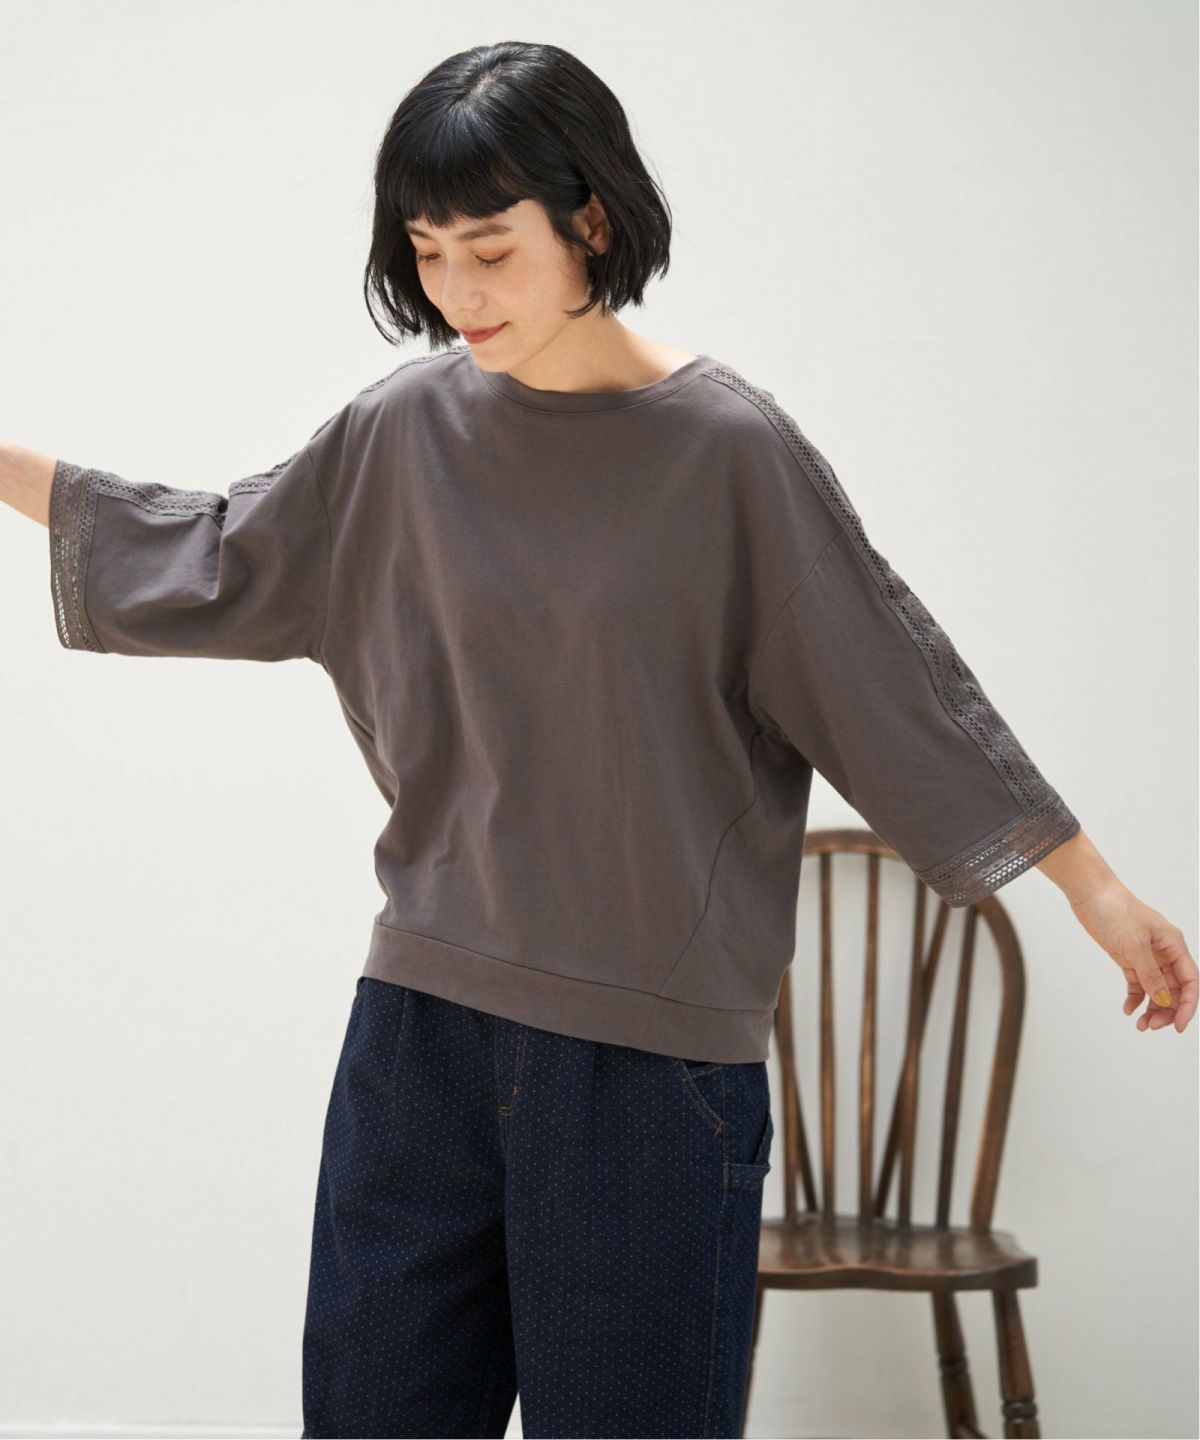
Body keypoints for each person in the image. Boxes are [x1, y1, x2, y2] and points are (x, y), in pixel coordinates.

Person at [3, 38, 1194, 1440]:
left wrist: (1093, 889)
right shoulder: (399, 433)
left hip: (650, 1069)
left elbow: (889, 681)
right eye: (427, 251)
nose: (456, 293)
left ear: (592, 223)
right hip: (421, 1036)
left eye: (490, 249)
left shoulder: (726, 452)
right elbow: (212, 549)